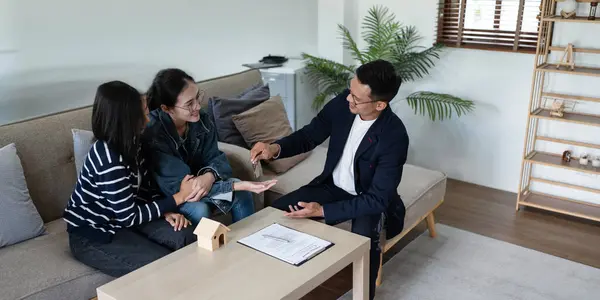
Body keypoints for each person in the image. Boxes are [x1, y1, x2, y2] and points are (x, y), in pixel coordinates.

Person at [250, 60, 408, 300]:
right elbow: (309, 135)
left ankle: (365, 296)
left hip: (367, 199)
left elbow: (377, 199)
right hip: (331, 187)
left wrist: (323, 211)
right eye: (350, 90)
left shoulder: (394, 136)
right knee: (275, 215)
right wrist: (274, 148)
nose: (348, 99)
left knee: (365, 241)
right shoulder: (345, 103)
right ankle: (273, 286)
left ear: (380, 104)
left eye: (356, 98)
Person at [63, 81, 199, 278]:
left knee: (188, 236)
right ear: (126, 119)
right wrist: (179, 198)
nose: (148, 118)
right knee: (163, 268)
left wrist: (164, 211)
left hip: (126, 218)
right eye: (143, 113)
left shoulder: (133, 142)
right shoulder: (108, 157)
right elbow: (128, 216)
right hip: (95, 233)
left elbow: (142, 189)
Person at [143, 68, 277, 226]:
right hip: (171, 195)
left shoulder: (202, 120)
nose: (198, 106)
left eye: (198, 97)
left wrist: (209, 176)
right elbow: (184, 189)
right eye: (189, 104)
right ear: (167, 108)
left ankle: (248, 243)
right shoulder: (155, 134)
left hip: (203, 184)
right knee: (200, 209)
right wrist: (236, 185)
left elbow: (217, 159)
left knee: (242, 195)